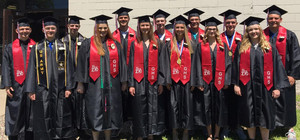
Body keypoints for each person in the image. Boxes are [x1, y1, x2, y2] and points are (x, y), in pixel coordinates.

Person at [232, 16, 290, 140]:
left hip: (266, 88)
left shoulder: (269, 47)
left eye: (256, 29)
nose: (254, 32)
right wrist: (236, 84)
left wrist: (278, 87)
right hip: (247, 86)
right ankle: (251, 138)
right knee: (249, 113)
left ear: (260, 30)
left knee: (266, 114)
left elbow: (277, 67)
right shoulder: (242, 48)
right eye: (251, 30)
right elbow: (235, 66)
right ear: (247, 32)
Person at [75, 14, 127, 140]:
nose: (102, 30)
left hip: (112, 84)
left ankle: (108, 137)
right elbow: (82, 64)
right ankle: (95, 138)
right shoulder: (88, 44)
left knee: (111, 111)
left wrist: (124, 81)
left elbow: (122, 64)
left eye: (105, 28)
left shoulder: (114, 44)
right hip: (95, 84)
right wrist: (80, 83)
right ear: (96, 28)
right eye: (100, 28)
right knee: (95, 111)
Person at [24, 16, 77, 140]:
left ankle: (60, 137)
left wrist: (69, 87)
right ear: (43, 30)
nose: (50, 30)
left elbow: (70, 68)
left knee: (60, 115)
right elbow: (32, 69)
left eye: (52, 28)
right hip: (43, 89)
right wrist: (30, 90)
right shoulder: (37, 48)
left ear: (56, 29)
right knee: (44, 114)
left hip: (61, 89)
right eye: (47, 28)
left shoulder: (63, 47)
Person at [263, 5, 300, 139]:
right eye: (270, 18)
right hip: (268, 76)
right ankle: (270, 126)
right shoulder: (262, 35)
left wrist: (293, 75)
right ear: (267, 19)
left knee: (287, 102)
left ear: (281, 19)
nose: (273, 20)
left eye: (276, 18)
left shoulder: (289, 35)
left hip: (285, 75)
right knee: (269, 101)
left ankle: (289, 128)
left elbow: (296, 56)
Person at [128, 15, 166, 140]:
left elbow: (162, 64)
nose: (145, 27)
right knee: (139, 109)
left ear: (150, 26)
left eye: (147, 25)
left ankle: (150, 135)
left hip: (153, 82)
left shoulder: (157, 43)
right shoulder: (135, 44)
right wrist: (131, 84)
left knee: (152, 108)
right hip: (139, 81)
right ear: (139, 27)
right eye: (142, 25)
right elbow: (131, 65)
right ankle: (140, 135)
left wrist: (161, 82)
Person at [196, 17, 231, 140]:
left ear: (216, 30)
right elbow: (197, 65)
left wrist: (226, 80)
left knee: (218, 108)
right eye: (209, 29)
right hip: (205, 83)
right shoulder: (201, 46)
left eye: (214, 29)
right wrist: (199, 81)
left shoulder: (222, 46)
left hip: (219, 82)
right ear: (206, 31)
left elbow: (228, 64)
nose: (211, 31)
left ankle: (216, 134)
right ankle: (209, 134)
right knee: (206, 108)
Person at [166, 15, 200, 140]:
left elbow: (196, 64)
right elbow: (165, 63)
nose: (179, 29)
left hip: (187, 81)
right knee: (173, 106)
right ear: (174, 29)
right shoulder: (169, 44)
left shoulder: (191, 44)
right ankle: (175, 131)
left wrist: (194, 82)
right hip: (174, 82)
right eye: (177, 27)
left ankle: (186, 132)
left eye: (181, 27)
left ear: (185, 29)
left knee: (187, 107)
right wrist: (167, 80)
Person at [1, 17, 35, 140]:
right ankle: (15, 136)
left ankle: (29, 136)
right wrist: (6, 84)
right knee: (15, 112)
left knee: (30, 114)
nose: (24, 31)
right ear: (17, 30)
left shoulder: (36, 46)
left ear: (30, 30)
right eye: (22, 29)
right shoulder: (10, 47)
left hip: (32, 86)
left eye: (27, 29)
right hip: (16, 86)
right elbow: (6, 66)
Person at [61, 15, 92, 140]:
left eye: (76, 25)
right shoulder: (62, 42)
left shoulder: (85, 41)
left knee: (81, 107)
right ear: (68, 26)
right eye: (72, 25)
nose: (74, 27)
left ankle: (83, 131)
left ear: (79, 26)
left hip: (82, 81)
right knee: (68, 107)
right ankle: (70, 132)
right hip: (67, 80)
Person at [218, 9, 246, 140]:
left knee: (238, 103)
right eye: (228, 22)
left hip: (238, 76)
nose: (230, 24)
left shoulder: (242, 38)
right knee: (225, 103)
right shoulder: (220, 38)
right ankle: (226, 127)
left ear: (236, 23)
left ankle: (238, 126)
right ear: (224, 23)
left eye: (232, 22)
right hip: (223, 77)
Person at [112, 8, 135, 138]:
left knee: (131, 102)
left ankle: (130, 129)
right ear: (118, 19)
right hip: (117, 74)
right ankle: (119, 129)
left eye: (125, 17)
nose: (123, 19)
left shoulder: (135, 34)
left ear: (128, 19)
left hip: (132, 73)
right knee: (118, 102)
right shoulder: (113, 35)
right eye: (121, 18)